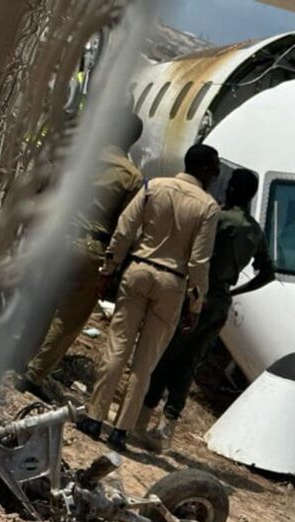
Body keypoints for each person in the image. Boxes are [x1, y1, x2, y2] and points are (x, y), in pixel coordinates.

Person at [75, 144, 221, 451]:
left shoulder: (154, 186)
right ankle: (121, 430)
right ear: (206, 170)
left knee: (118, 346)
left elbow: (125, 230)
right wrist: (195, 303)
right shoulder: (207, 207)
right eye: (215, 167)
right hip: (173, 283)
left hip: (139, 270)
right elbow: (199, 261)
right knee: (146, 361)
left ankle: (93, 416)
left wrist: (109, 267)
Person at [135, 169, 275, 452]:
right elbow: (267, 273)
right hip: (221, 301)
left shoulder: (219, 219)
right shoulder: (254, 231)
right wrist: (233, 291)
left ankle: (141, 419)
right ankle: (166, 429)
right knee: (189, 365)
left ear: (232, 188)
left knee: (166, 356)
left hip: (197, 297)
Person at [16, 114, 144, 399]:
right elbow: (125, 228)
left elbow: (44, 188)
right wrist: (112, 268)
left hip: (55, 237)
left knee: (41, 300)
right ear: (134, 140)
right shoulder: (131, 176)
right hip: (91, 249)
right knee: (70, 316)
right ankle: (34, 375)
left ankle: (19, 357)